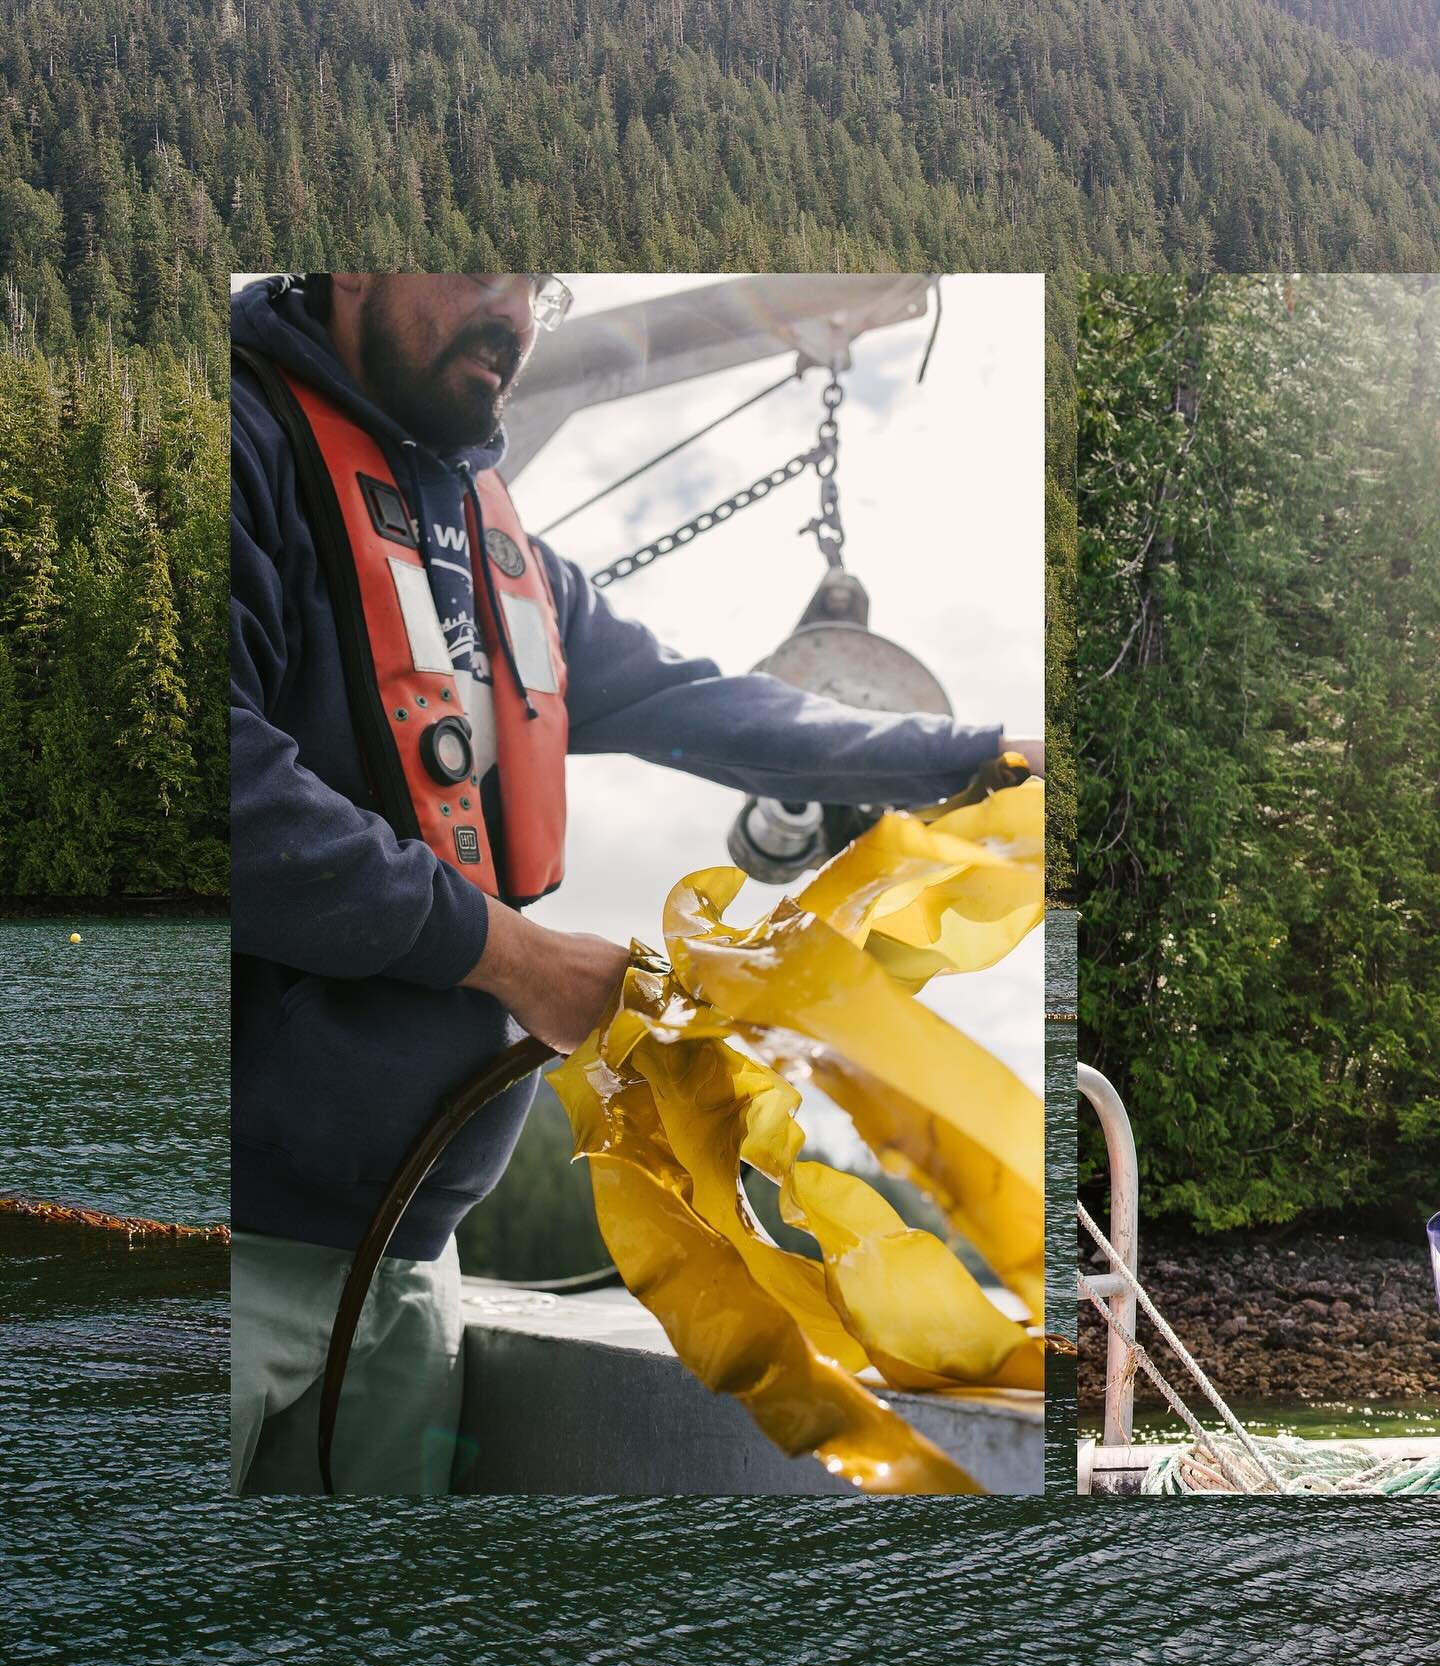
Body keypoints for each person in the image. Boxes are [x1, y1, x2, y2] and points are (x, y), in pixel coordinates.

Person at [229, 272, 1042, 1496]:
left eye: (535, 284)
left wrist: (976, 760)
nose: (508, 308)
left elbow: (708, 705)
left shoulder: (513, 566)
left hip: (407, 1266)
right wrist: (515, 958)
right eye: (475, 264)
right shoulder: (222, 448)